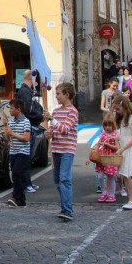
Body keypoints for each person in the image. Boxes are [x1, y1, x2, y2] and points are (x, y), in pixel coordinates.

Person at [44, 82, 78, 221]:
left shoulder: (73, 111)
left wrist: (52, 119)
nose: (56, 97)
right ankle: (65, 204)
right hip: (56, 148)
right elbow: (54, 129)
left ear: (67, 95)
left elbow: (65, 129)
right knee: (57, 180)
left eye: (58, 94)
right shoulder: (57, 111)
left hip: (67, 149)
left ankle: (67, 209)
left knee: (64, 178)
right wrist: (49, 133)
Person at [112, 94, 132, 210]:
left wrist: (123, 148)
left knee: (127, 173)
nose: (117, 112)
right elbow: (121, 132)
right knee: (124, 173)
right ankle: (131, 198)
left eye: (118, 109)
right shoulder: (123, 118)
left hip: (130, 147)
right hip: (124, 146)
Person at [17, 73, 43, 192]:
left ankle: (28, 182)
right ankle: (25, 183)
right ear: (31, 80)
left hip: (32, 125)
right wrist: (40, 115)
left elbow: (35, 105)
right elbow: (29, 109)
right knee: (26, 157)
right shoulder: (24, 91)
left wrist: (41, 112)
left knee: (29, 157)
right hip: (29, 126)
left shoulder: (27, 91)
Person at [5, 98, 31, 208]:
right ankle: (21, 200)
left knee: (16, 173)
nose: (10, 111)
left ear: (18, 109)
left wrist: (12, 133)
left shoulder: (26, 122)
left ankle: (15, 197)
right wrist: (7, 129)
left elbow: (26, 138)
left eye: (12, 108)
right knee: (16, 176)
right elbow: (8, 138)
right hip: (13, 152)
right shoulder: (11, 122)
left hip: (22, 152)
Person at [89, 116, 119, 203]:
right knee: (100, 176)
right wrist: (96, 150)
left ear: (113, 125)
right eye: (105, 126)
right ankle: (104, 192)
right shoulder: (103, 134)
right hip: (102, 157)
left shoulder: (116, 134)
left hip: (110, 157)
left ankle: (112, 194)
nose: (107, 128)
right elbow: (98, 143)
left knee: (110, 177)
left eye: (109, 125)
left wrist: (108, 145)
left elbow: (117, 147)